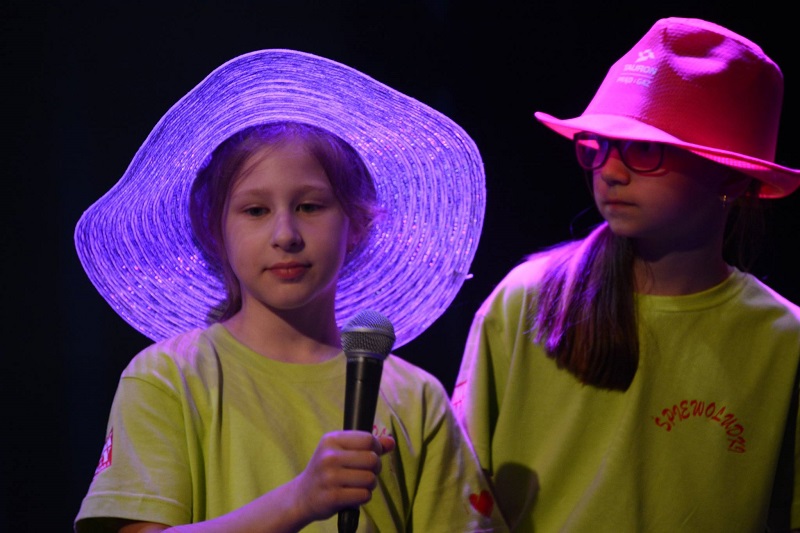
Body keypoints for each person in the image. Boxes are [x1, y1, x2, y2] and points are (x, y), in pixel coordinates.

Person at [73, 49, 508, 532]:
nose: (285, 235)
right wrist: (299, 501)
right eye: (255, 211)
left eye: (310, 206)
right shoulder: (169, 378)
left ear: (357, 224)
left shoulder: (414, 396)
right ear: (215, 231)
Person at [452, 17, 800, 533]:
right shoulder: (527, 301)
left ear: (729, 173)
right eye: (598, 146)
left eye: (644, 149)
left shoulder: (783, 339)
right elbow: (460, 494)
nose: (609, 172)